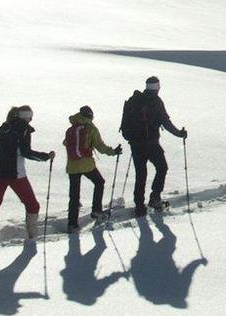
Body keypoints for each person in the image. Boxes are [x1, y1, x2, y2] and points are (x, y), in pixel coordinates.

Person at [0, 105, 53, 245]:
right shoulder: (24, 129)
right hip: (16, 174)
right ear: (27, 117)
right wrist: (45, 156)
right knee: (32, 205)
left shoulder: (4, 126)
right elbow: (26, 152)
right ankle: (32, 238)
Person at [120, 75, 188, 212]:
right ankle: (155, 197)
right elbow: (166, 123)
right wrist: (179, 133)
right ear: (157, 87)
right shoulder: (156, 101)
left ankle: (139, 206)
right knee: (162, 167)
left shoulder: (134, 100)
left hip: (135, 144)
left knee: (141, 174)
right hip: (151, 143)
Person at [62, 104, 122, 230]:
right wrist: (113, 152)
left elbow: (65, 143)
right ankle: (96, 210)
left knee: (74, 195)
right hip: (87, 164)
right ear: (90, 116)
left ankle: (72, 224)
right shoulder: (91, 128)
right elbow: (100, 147)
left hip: (72, 165)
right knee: (99, 182)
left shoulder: (73, 127)